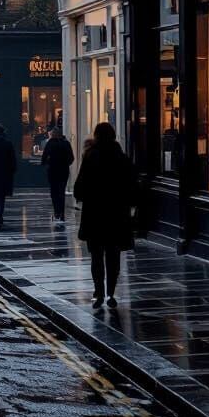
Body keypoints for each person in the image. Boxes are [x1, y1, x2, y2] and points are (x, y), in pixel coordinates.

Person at [73, 121, 138, 309]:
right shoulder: (122, 158)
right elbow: (132, 186)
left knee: (96, 256)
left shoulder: (90, 156)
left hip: (95, 214)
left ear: (96, 136)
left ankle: (98, 292)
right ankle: (111, 292)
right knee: (113, 255)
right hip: (117, 214)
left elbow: (79, 188)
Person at [41, 126, 75, 225]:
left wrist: (46, 163)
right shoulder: (66, 143)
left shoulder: (50, 144)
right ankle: (62, 213)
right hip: (64, 170)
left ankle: (57, 211)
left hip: (52, 170)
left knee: (54, 192)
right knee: (61, 191)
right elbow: (71, 158)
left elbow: (44, 157)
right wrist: (65, 163)